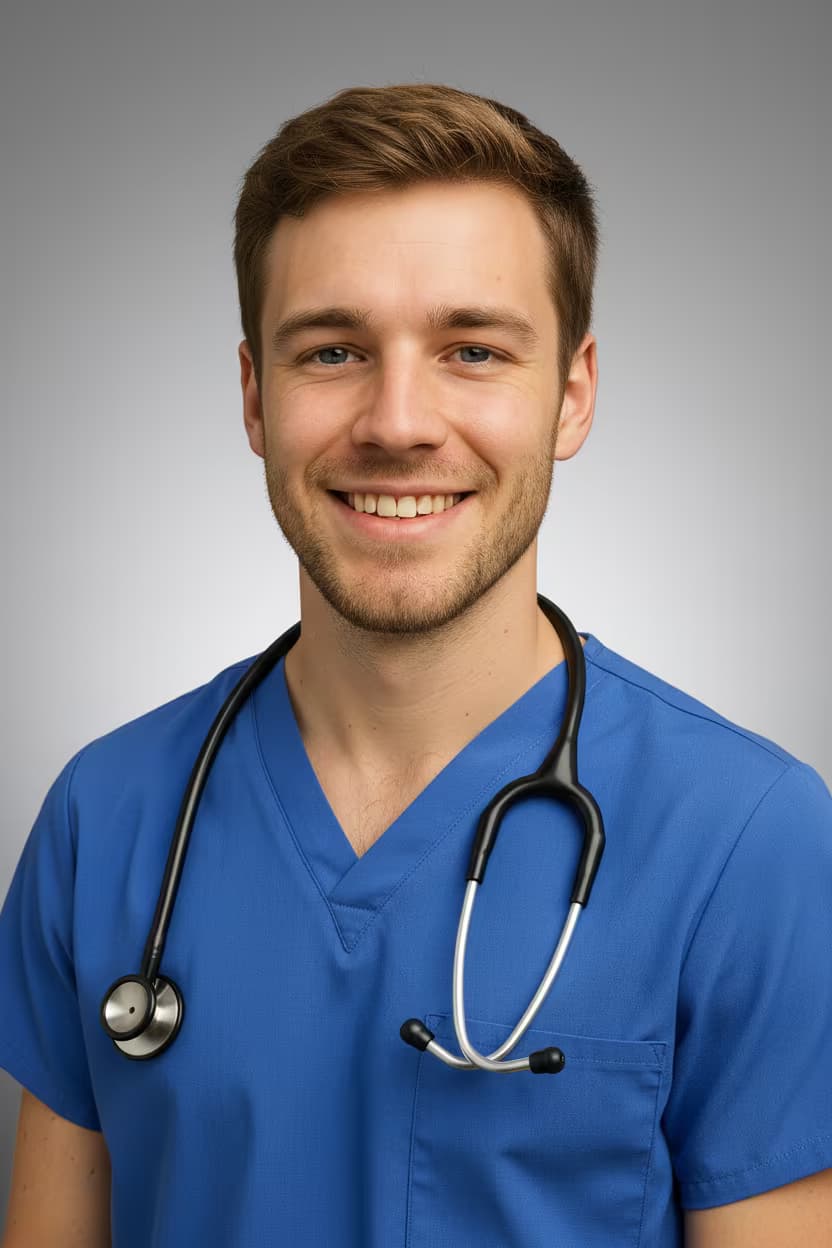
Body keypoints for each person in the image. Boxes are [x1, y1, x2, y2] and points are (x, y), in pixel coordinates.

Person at [0, 82, 830, 1248]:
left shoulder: (753, 842)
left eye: (472, 350)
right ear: (253, 396)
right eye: (332, 349)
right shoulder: (109, 816)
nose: (397, 420)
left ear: (572, 394)